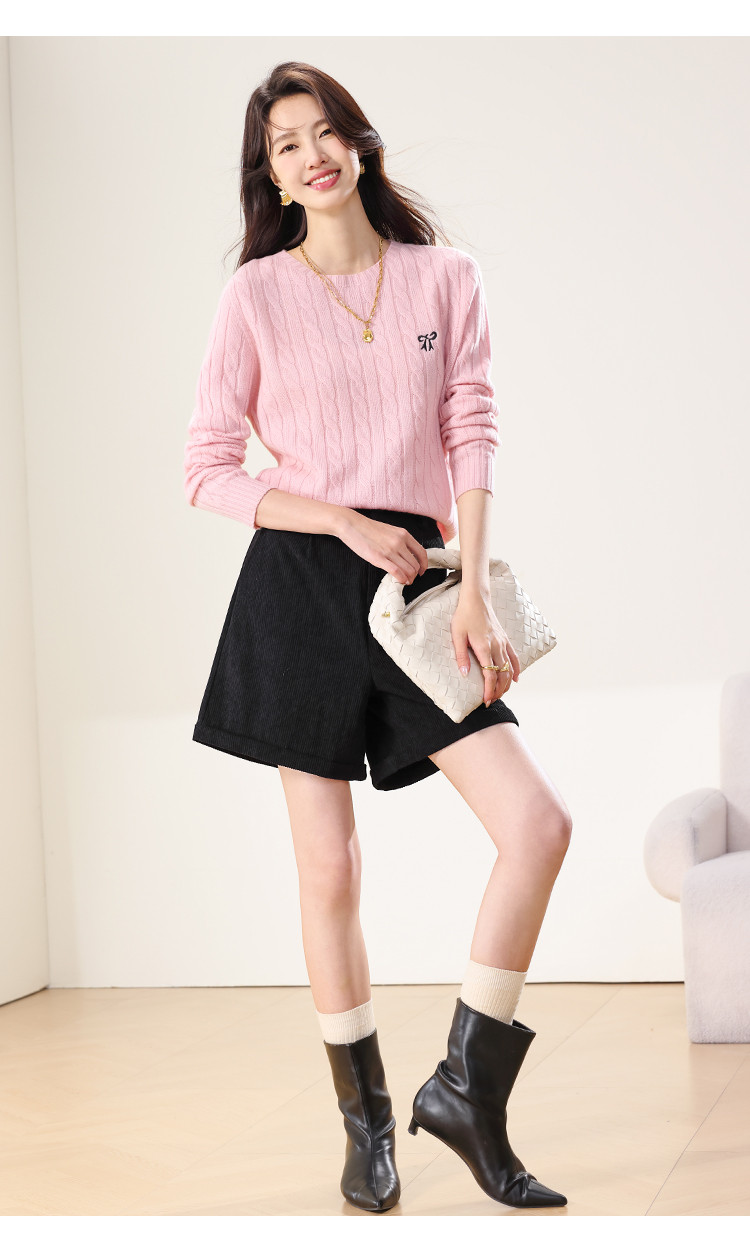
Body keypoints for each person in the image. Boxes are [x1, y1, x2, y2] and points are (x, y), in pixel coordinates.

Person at [184, 60, 572, 1213]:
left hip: (421, 591)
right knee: (330, 866)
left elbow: (472, 428)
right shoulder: (256, 296)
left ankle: (467, 1088)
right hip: (301, 586)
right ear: (272, 175)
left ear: (359, 142)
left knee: (538, 824)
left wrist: (469, 579)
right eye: (286, 143)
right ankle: (365, 1121)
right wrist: (340, 518)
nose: (312, 154)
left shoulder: (446, 277)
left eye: (325, 131)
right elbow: (206, 469)